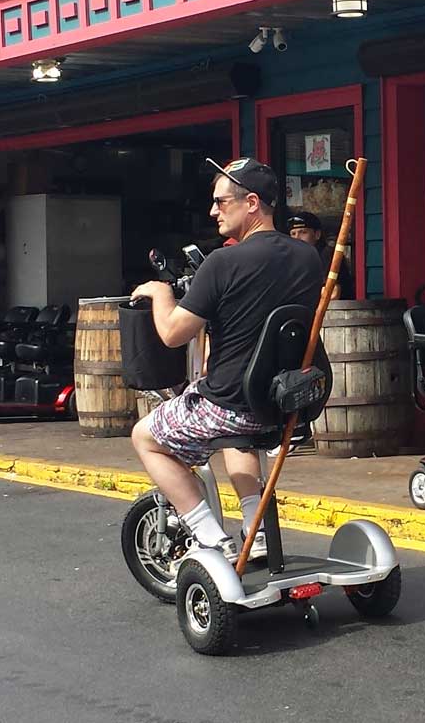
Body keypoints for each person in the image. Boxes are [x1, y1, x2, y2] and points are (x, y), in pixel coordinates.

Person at [130, 156, 322, 558]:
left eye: (222, 202)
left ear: (251, 202)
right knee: (238, 441)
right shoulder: (309, 258)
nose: (213, 211)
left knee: (145, 436)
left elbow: (171, 334)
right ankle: (258, 531)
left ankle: (209, 536)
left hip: (231, 402)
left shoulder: (222, 262)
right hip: (281, 402)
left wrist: (161, 293)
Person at [287, 209, 355, 300]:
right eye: (293, 234)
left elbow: (333, 293)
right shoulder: (293, 260)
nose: (297, 238)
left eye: (303, 232)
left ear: (317, 234)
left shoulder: (327, 255)